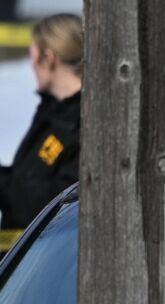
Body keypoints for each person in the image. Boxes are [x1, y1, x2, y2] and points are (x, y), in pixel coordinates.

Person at [0, 13, 82, 231]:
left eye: (33, 57)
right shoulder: (52, 112)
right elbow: (24, 180)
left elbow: (60, 205)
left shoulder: (85, 121)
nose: (32, 66)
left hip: (53, 259)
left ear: (49, 58)